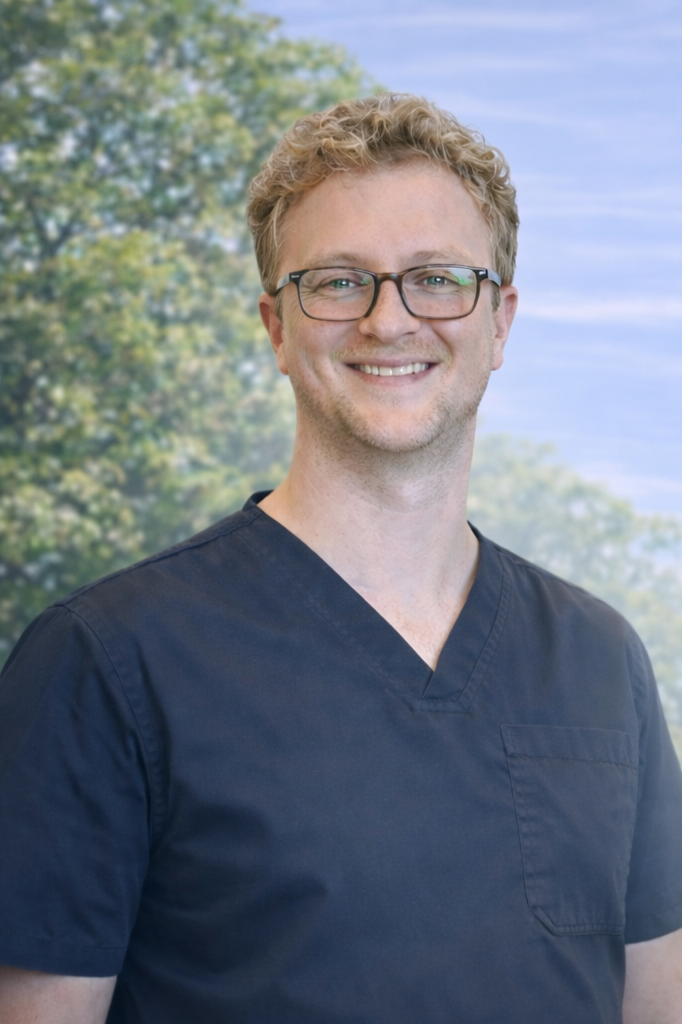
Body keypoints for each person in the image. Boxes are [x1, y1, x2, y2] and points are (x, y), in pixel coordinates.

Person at [0, 93, 681, 1024]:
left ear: (501, 322)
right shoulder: (105, 663)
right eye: (337, 281)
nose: (390, 320)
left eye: (437, 278)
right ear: (277, 327)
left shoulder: (601, 659)